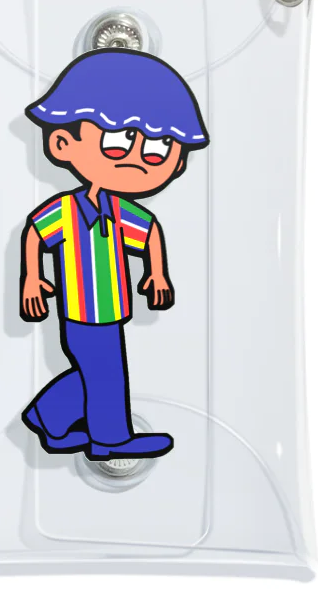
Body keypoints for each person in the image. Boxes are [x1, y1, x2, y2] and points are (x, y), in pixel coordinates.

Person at [19, 48, 209, 460]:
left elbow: (150, 232)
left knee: (96, 374)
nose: (139, 161)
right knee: (105, 375)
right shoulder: (66, 211)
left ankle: (49, 418)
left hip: (113, 309)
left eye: (158, 149)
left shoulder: (122, 212)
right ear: (62, 143)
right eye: (119, 142)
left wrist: (156, 273)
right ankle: (110, 438)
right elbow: (35, 232)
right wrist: (32, 278)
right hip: (80, 312)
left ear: (177, 164)